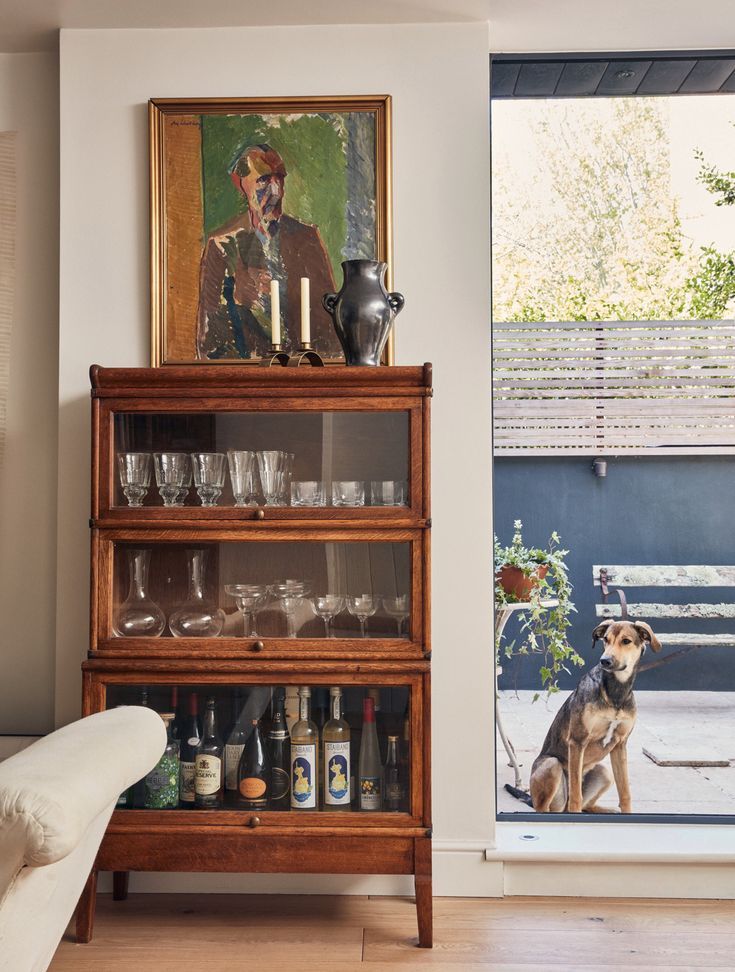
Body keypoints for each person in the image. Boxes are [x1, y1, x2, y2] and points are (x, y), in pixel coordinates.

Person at [196, 143, 337, 359]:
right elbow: (210, 340)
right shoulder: (222, 245)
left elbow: (329, 326)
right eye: (263, 180)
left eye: (279, 178)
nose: (276, 191)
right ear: (241, 184)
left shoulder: (307, 238)